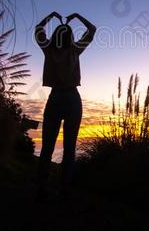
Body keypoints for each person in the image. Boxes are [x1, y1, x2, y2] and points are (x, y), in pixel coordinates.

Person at [34, 11, 97, 201]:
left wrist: (51, 17)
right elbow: (92, 30)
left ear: (55, 36)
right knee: (70, 148)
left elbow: (38, 29)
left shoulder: (48, 49)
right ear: (70, 37)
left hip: (54, 99)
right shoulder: (75, 49)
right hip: (72, 99)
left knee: (47, 147)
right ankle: (65, 189)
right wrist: (77, 16)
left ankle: (42, 187)